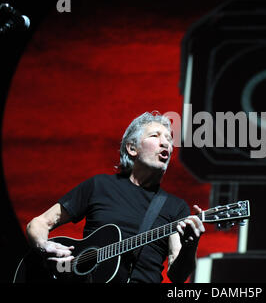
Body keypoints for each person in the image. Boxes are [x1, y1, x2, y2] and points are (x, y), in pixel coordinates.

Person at [25, 111, 206, 283]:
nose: (166, 143)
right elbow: (39, 223)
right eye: (155, 136)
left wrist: (191, 245)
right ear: (132, 148)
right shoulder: (99, 186)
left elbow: (178, 276)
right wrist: (43, 245)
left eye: (168, 139)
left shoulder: (175, 207)